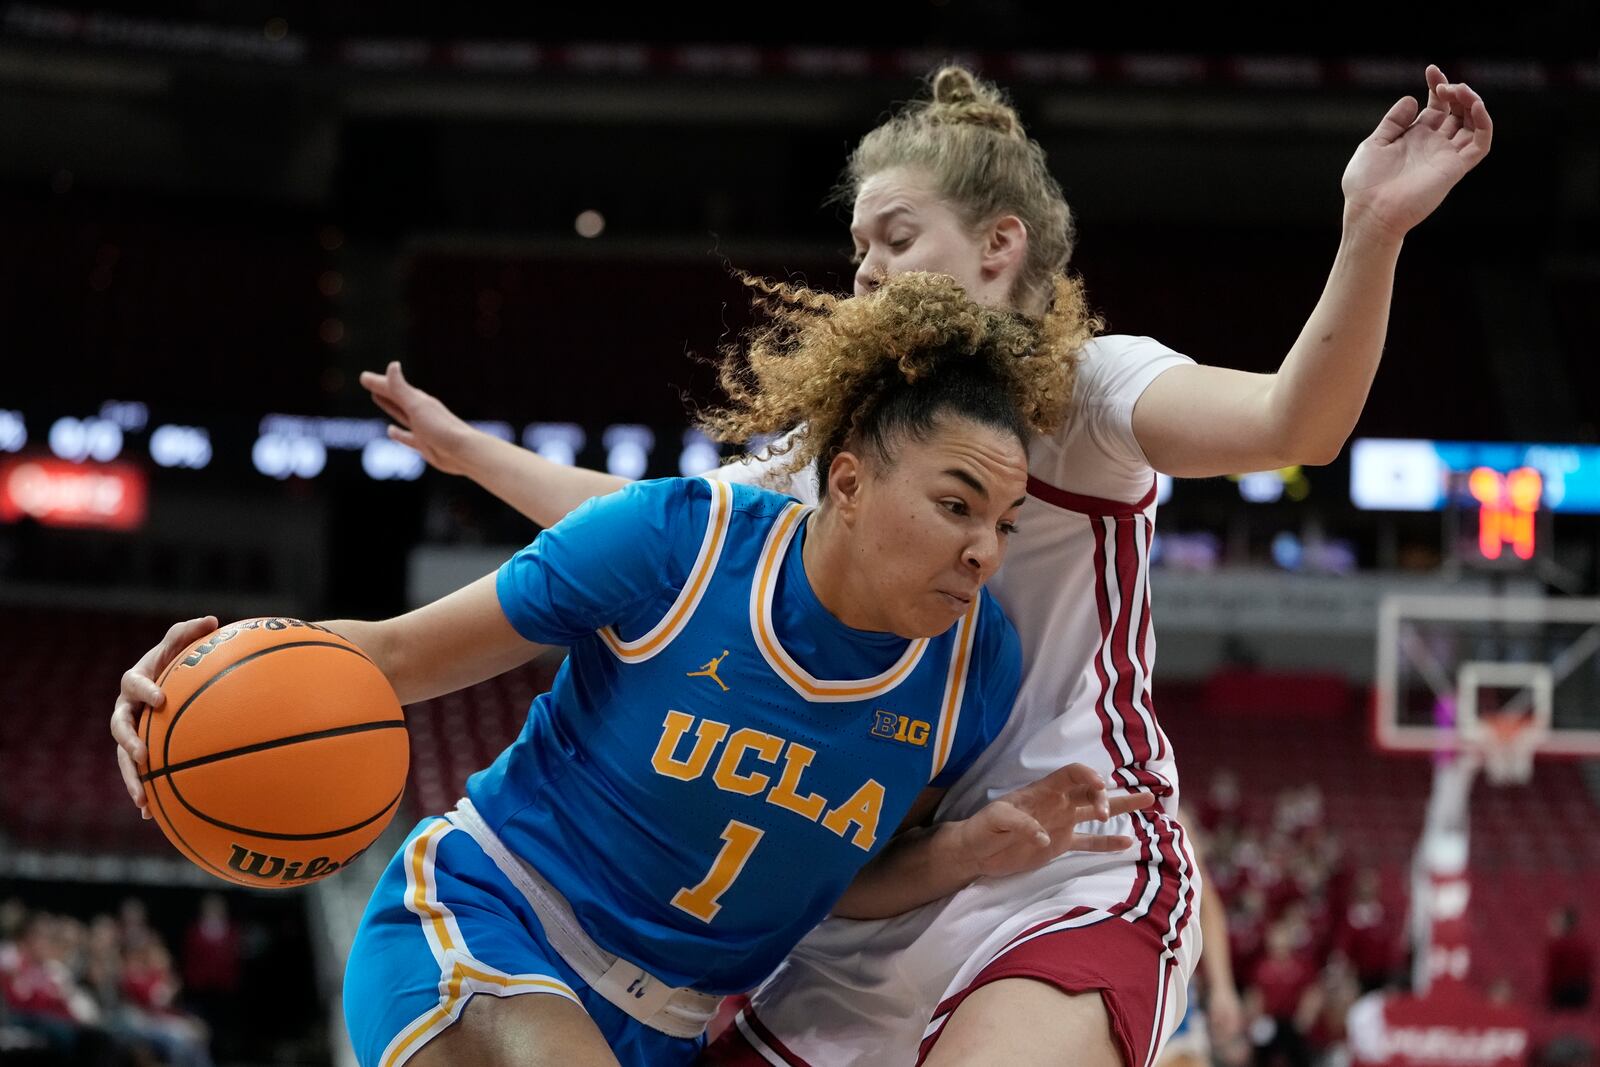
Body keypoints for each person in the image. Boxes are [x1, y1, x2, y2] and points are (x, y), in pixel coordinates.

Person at [359, 64, 1493, 1067]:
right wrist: (469, 451)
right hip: (874, 878)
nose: (864, 269)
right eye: (855, 248)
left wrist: (1370, 233)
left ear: (1000, 245)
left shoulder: (1091, 392)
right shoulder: (847, 449)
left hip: (1066, 863)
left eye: (894, 237)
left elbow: (1291, 423)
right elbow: (656, 524)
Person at [111, 272, 1150, 1067]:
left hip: (672, 1026)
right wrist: (197, 685)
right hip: (492, 921)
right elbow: (390, 653)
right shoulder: (678, 544)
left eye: (1006, 524)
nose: (984, 550)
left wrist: (959, 850)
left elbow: (830, 891)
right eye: (956, 503)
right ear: (846, 480)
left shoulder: (973, 669)